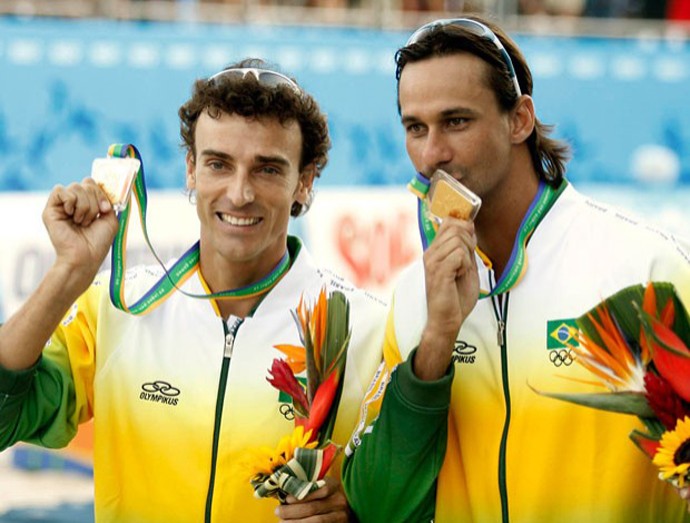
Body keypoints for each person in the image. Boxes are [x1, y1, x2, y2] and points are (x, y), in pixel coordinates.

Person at [0, 58, 386, 522]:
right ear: (191, 169)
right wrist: (68, 272)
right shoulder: (116, 308)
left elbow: (408, 499)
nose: (239, 193)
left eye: (267, 169)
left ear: (304, 182)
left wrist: (361, 511)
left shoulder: (362, 330)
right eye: (219, 164)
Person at [341, 15, 690, 523]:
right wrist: (436, 341)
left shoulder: (644, 270)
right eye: (415, 128)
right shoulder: (415, 299)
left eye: (456, 121)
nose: (432, 154)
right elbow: (378, 506)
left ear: (519, 119)